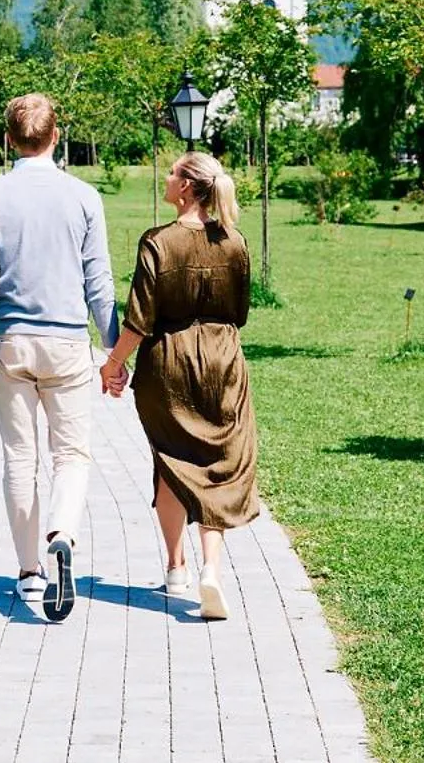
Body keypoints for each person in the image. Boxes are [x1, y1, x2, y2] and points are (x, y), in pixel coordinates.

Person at [0, 93, 117, 621]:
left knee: (19, 459)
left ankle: (30, 573)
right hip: (68, 343)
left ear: (9, 140)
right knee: (71, 455)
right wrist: (117, 351)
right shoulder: (83, 198)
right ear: (56, 137)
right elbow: (99, 282)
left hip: (10, 342)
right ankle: (63, 533)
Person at [99, 152, 258, 620]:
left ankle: (174, 567)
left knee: (170, 459)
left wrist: (112, 364)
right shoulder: (235, 242)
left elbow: (139, 320)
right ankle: (211, 568)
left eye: (172, 173)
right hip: (223, 359)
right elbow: (241, 313)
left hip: (168, 363)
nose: (166, 179)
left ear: (187, 187)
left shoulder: (158, 243)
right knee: (215, 465)